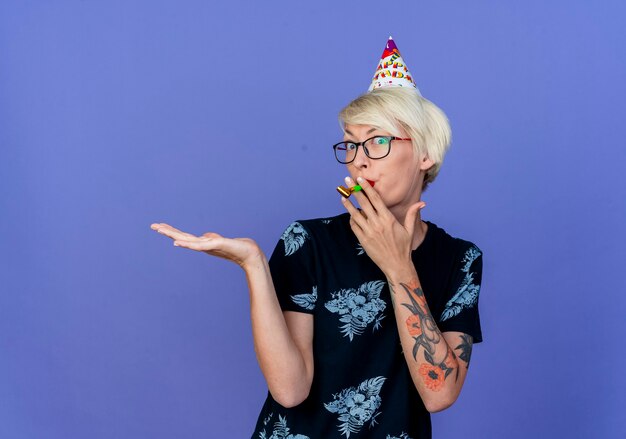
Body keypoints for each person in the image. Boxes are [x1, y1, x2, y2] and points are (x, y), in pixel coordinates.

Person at [151, 37, 483, 439]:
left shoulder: (460, 259)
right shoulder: (306, 242)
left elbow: (439, 394)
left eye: (378, 141)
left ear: (425, 153)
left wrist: (398, 266)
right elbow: (290, 391)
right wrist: (254, 264)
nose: (359, 159)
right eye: (351, 143)